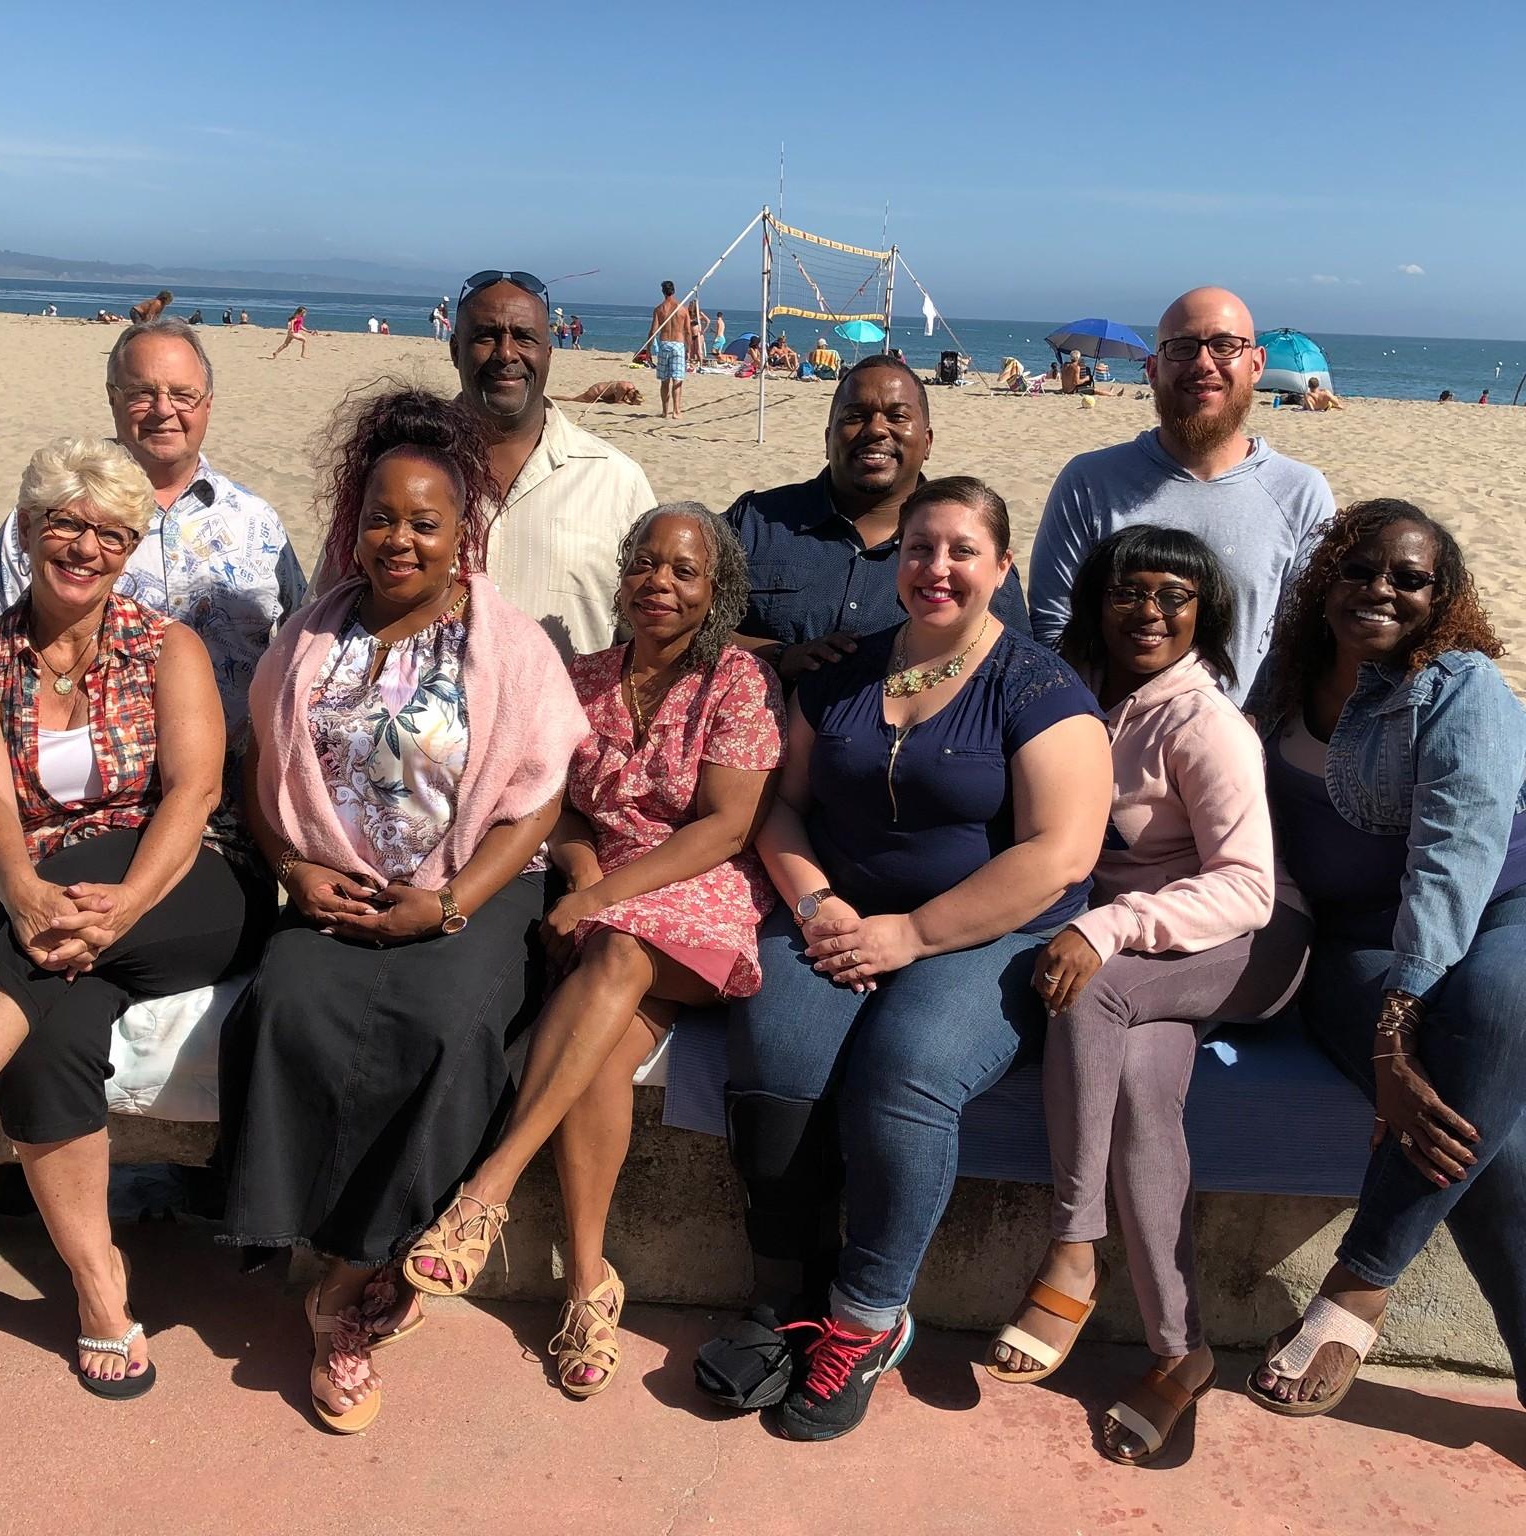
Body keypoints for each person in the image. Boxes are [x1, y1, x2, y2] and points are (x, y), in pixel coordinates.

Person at [693, 475, 1110, 1439]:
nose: (938, 568)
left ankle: (866, 1320)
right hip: (841, 910)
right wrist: (817, 899)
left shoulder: (1041, 687)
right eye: (921, 548)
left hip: (992, 933)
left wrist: (913, 935)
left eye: (964, 550)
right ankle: (785, 1299)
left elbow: (1061, 852)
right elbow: (784, 803)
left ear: (1002, 567)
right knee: (779, 1048)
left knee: (905, 1072)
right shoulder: (845, 673)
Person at [218, 388, 587, 1433]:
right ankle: (326, 1253)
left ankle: (357, 1283)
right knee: (289, 1001)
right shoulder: (311, 636)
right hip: (334, 886)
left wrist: (453, 903)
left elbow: (539, 797)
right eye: (383, 517)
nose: (400, 540)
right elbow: (262, 769)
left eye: (425, 522)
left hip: (472, 887)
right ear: (356, 520)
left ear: (459, 533)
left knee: (448, 1024)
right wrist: (293, 867)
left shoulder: (507, 648)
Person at [402, 504, 786, 1400]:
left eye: (685, 571)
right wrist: (580, 868)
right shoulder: (581, 678)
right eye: (646, 565)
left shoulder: (737, 683)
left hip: (699, 889)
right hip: (601, 891)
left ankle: (487, 1190)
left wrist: (605, 895)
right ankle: (588, 1283)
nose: (661, 582)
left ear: (717, 589)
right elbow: (556, 801)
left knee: (613, 955)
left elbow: (730, 825)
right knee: (603, 1053)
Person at [985, 526, 1312, 1465]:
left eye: (1175, 596)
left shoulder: (1203, 721)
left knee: (1089, 998)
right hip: (1155, 958)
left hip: (1249, 940)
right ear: (1097, 602)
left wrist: (1106, 927)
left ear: (1205, 614)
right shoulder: (1078, 695)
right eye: (1131, 592)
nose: (1150, 612)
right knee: (1138, 1093)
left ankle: (1074, 1248)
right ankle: (1182, 1353)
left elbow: (1246, 886)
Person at [0, 437, 275, 1400]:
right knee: (51, 1030)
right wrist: (26, 893)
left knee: (59, 919)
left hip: (184, 888)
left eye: (110, 533)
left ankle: (55, 930)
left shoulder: (168, 646)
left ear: (129, 548)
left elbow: (194, 795)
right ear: (29, 531)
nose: (85, 546)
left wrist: (119, 912)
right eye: (65, 523)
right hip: (42, 906)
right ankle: (98, 1285)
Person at [1247, 499, 1526, 1416]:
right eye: (1361, 569)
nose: (1381, 590)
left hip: (1501, 909)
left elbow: (1454, 861)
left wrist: (1394, 1036)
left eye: (1410, 579)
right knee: (1495, 1142)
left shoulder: (1458, 688)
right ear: (1325, 578)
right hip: (1353, 934)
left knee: (1490, 1013)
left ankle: (1358, 1287)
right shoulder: (1283, 680)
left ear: (1440, 601)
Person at [0, 317, 307, 858]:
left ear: (208, 403)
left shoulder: (258, 524)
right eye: (143, 393)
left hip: (231, 824)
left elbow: (302, 652)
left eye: (183, 394)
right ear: (113, 399)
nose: (164, 410)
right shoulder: (50, 527)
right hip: (64, 822)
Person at [1029, 286, 1337, 703]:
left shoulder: (1301, 492)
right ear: (1153, 369)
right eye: (1183, 347)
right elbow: (1053, 629)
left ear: (1256, 364)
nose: (1203, 363)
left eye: (1225, 346)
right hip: (1106, 742)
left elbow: (1302, 643)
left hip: (1244, 749)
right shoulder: (1089, 481)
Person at [726, 353, 1030, 688]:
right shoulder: (755, 522)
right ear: (828, 438)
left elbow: (1017, 669)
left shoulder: (973, 549)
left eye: (897, 417)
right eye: (856, 416)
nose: (875, 430)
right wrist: (778, 656)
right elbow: (684, 627)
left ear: (927, 442)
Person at [435, 268, 655, 658]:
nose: (506, 354)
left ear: (548, 354)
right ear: (455, 351)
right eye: (486, 336)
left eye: (524, 337)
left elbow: (649, 637)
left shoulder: (615, 480)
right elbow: (334, 611)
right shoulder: (403, 469)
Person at [649, 280, 693, 419]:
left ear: (663, 292)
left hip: (664, 344)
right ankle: (676, 411)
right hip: (678, 344)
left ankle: (664, 411)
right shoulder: (682, 309)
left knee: (665, 380)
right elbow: (687, 331)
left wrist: (649, 349)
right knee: (677, 379)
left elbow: (653, 331)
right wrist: (689, 349)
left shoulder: (659, 309)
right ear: (673, 291)